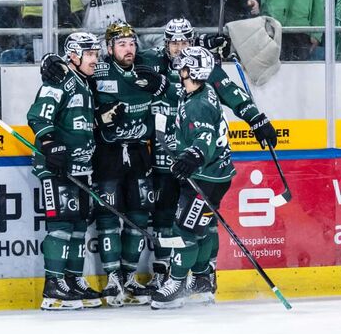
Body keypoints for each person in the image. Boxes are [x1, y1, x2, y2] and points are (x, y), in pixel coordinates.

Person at [137, 18, 276, 290]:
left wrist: (256, 119)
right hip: (166, 157)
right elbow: (121, 61)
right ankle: (169, 270)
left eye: (185, 41)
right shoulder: (153, 61)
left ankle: (201, 274)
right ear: (166, 42)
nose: (179, 48)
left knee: (201, 221)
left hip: (198, 160)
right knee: (168, 216)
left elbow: (231, 94)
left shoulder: (201, 66)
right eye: (174, 42)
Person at [150, 45, 235, 309]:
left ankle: (175, 285)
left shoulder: (198, 104)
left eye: (184, 65)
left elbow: (204, 139)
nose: (180, 67)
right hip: (216, 176)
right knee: (204, 228)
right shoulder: (201, 91)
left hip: (205, 179)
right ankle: (201, 280)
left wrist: (192, 157)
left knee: (185, 230)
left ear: (193, 70)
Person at [90, 21, 168, 306]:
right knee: (108, 214)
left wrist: (162, 85)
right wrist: (53, 63)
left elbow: (174, 57)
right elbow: (71, 77)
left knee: (138, 214)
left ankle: (129, 276)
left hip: (138, 153)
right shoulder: (98, 70)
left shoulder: (146, 67)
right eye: (122, 44)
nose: (129, 49)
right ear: (109, 48)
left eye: (132, 43)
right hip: (107, 153)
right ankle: (112, 279)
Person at [27, 33, 102, 309]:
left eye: (96, 53)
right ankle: (53, 286)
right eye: (90, 54)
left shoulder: (84, 83)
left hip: (81, 167)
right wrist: (50, 144)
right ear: (73, 55)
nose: (95, 59)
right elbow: (38, 115)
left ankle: (73, 280)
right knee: (60, 226)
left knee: (79, 226)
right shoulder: (60, 79)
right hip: (57, 168)